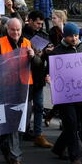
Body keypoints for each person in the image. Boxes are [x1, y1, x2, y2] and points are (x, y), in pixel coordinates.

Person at [0, 18, 42, 164]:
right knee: (12, 123)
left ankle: (7, 147)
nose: (15, 33)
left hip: (25, 89)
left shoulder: (28, 43)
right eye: (12, 30)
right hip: (7, 88)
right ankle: (15, 157)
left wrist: (33, 57)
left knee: (22, 124)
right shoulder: (0, 43)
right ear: (7, 29)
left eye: (18, 30)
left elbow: (38, 64)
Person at [46, 23, 82, 164]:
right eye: (71, 35)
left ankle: (58, 148)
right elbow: (50, 72)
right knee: (71, 124)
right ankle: (75, 157)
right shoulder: (57, 52)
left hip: (81, 95)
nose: (74, 38)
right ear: (65, 36)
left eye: (76, 35)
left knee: (75, 124)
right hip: (65, 96)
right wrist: (49, 79)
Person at [22, 10, 53, 149]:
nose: (40, 26)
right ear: (30, 21)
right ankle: (23, 130)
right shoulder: (21, 34)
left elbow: (47, 59)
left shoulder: (43, 36)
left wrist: (47, 52)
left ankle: (38, 134)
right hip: (23, 76)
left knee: (39, 106)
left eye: (41, 23)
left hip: (39, 76)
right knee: (25, 107)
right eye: (38, 23)